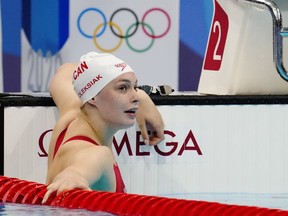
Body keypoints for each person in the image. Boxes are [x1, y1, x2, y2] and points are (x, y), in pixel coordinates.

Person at [42, 52, 164, 203]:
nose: (136, 96)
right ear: (92, 97)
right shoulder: (98, 155)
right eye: (122, 88)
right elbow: (76, 172)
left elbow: (65, 70)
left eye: (135, 87)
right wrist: (72, 176)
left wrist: (144, 97)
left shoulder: (72, 112)